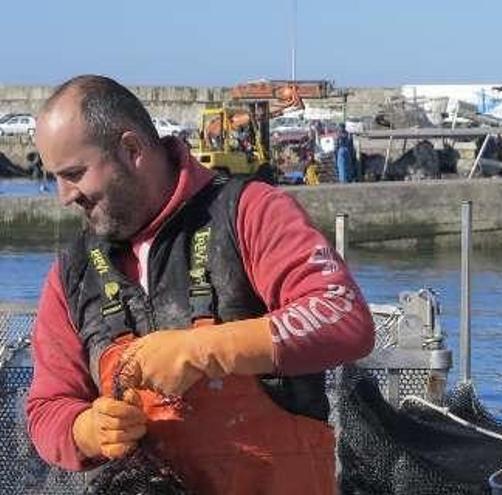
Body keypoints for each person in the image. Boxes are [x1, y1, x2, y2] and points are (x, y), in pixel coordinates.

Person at [25, 75, 375, 494]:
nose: (65, 196)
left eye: (75, 174)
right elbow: (47, 407)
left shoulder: (251, 212)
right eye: (57, 178)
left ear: (132, 150)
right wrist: (85, 430)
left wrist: (203, 349)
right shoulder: (72, 274)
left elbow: (344, 317)